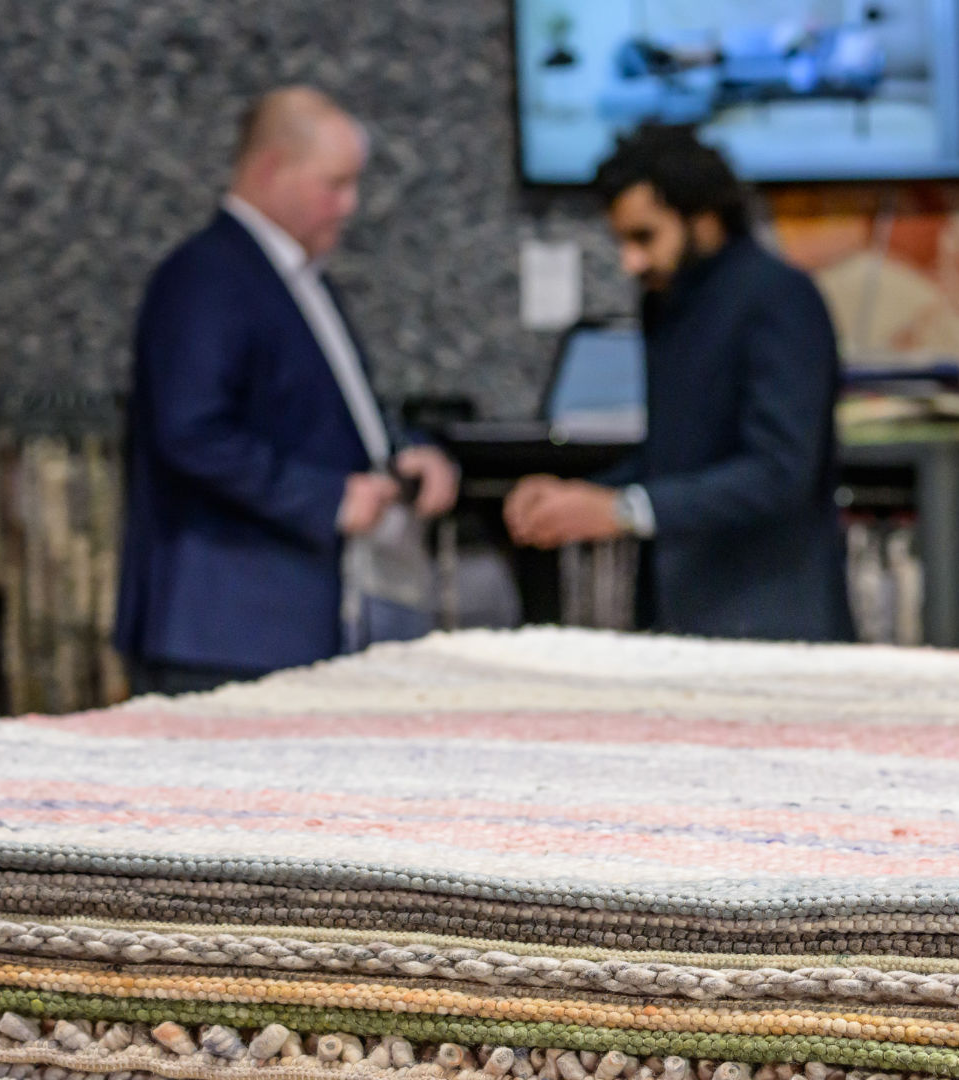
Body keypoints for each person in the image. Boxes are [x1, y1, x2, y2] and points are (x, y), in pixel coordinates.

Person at [115, 87, 459, 695]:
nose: (349, 205)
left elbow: (315, 411)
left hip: (289, 620)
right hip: (224, 626)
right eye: (335, 184)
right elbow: (188, 432)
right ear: (271, 168)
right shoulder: (207, 276)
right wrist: (325, 498)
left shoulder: (292, 275)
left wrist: (398, 454)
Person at [504, 125, 853, 642]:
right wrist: (581, 498)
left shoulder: (779, 298)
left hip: (772, 618)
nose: (631, 260)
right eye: (622, 240)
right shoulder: (668, 303)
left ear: (704, 219)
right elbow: (677, 457)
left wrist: (621, 510)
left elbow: (780, 471)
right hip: (681, 615)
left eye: (644, 237)